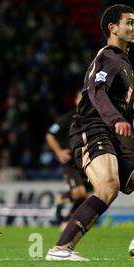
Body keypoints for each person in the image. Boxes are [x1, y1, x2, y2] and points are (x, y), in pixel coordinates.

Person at [45, 4, 134, 261]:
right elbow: (96, 91)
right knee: (107, 187)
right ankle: (60, 249)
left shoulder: (123, 61)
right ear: (112, 28)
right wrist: (115, 118)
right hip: (90, 128)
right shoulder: (109, 56)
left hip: (108, 136)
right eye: (129, 22)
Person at [45, 91, 92, 231]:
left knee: (86, 194)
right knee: (79, 192)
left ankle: (68, 221)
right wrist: (59, 152)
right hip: (71, 162)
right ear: (76, 101)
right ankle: (59, 199)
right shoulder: (68, 118)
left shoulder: (93, 119)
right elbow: (50, 135)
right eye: (81, 99)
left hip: (86, 162)